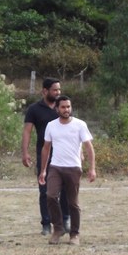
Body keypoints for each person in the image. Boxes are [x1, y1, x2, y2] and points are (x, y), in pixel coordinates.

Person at [38, 95, 96, 246]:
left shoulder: (80, 125)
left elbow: (89, 147)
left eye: (68, 107)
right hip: (55, 167)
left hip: (73, 168)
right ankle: (58, 229)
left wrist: (92, 168)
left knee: (73, 203)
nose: (66, 110)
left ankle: (74, 234)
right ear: (57, 109)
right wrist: (43, 170)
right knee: (50, 196)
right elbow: (46, 148)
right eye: (63, 107)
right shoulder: (51, 126)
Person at [21, 77, 70, 235]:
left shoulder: (63, 107)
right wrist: (25, 152)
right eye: (55, 90)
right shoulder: (34, 109)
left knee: (65, 189)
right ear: (45, 91)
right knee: (45, 191)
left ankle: (65, 220)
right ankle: (46, 224)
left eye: (59, 90)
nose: (58, 92)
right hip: (45, 155)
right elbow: (27, 131)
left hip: (64, 155)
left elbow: (73, 128)